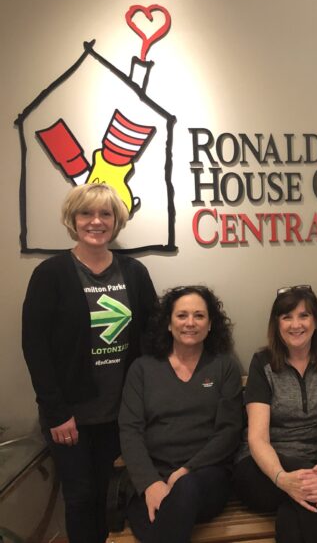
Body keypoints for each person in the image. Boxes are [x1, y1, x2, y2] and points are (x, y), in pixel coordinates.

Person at [21, 183, 156, 543]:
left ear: (116, 220)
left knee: (111, 494)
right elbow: (35, 348)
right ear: (73, 219)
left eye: (105, 214)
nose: (96, 221)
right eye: (86, 213)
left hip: (120, 413)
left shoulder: (134, 273)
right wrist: (56, 412)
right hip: (70, 417)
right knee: (80, 498)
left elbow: (152, 335)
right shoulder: (51, 274)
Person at [118, 285, 243, 543]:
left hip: (206, 477)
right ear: (168, 322)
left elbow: (229, 431)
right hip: (153, 475)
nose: (190, 323)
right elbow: (130, 431)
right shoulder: (142, 369)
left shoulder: (224, 366)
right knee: (155, 527)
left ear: (210, 324)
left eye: (199, 315)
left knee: (183, 492)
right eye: (182, 315)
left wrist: (186, 470)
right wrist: (150, 483)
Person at [233, 285, 317, 543]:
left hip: (315, 466)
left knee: (296, 509)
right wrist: (283, 479)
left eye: (304, 315)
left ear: (316, 321)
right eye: (287, 317)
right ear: (277, 324)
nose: (296, 325)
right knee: (313, 494)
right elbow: (257, 438)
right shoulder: (262, 362)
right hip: (261, 471)